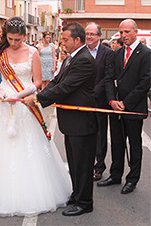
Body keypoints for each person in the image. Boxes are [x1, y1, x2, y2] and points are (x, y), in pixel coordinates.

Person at [0, 16, 72, 217]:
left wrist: (18, 95)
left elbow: (37, 82)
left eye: (17, 40)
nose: (13, 43)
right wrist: (1, 90)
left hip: (23, 102)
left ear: (25, 36)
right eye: (10, 39)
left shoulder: (33, 52)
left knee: (28, 145)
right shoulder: (0, 52)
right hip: (3, 101)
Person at [23, 22, 98, 216]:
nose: (62, 42)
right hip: (72, 122)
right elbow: (57, 81)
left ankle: (84, 202)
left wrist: (37, 99)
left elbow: (66, 87)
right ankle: (77, 195)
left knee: (82, 164)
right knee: (74, 161)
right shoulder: (71, 58)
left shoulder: (83, 60)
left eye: (65, 39)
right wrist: (40, 93)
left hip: (81, 122)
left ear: (77, 40)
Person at [98, 19, 151, 194]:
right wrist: (112, 101)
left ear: (136, 32)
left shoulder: (146, 54)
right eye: (121, 32)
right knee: (117, 143)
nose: (123, 35)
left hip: (133, 109)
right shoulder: (117, 54)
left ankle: (132, 179)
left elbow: (145, 83)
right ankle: (115, 175)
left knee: (134, 145)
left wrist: (126, 103)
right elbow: (109, 78)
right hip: (115, 109)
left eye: (127, 32)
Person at [85, 22, 114, 181]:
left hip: (99, 100)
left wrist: (94, 91)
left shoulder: (108, 53)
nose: (89, 37)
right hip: (82, 101)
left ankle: (99, 166)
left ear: (99, 36)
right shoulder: (80, 51)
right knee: (85, 134)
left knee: (100, 135)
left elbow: (108, 76)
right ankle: (86, 165)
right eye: (87, 34)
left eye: (92, 34)